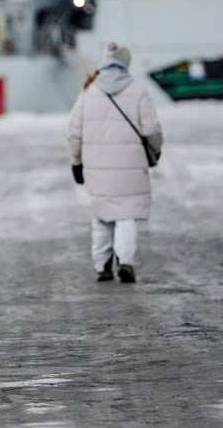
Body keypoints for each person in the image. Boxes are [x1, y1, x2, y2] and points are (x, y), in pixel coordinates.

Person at [67, 42, 163, 283]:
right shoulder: (138, 90)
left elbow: (74, 132)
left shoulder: (89, 92)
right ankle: (126, 262)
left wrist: (76, 161)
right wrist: (156, 149)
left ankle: (102, 266)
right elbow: (151, 128)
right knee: (126, 216)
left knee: (101, 215)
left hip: (97, 168)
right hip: (131, 168)